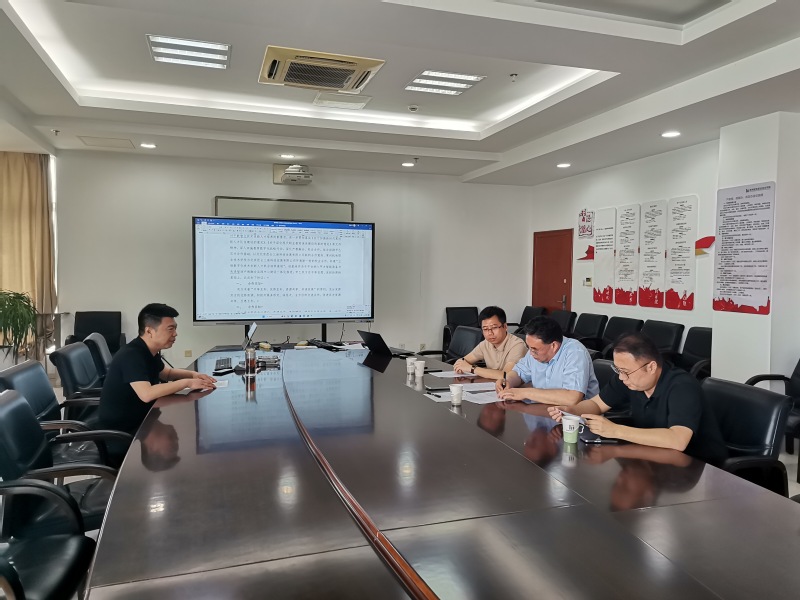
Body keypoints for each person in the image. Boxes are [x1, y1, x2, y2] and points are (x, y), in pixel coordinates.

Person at [547, 332, 727, 466]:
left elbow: (678, 440)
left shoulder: (682, 387)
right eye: (618, 370)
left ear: (651, 367)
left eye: (625, 372)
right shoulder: (629, 379)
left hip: (698, 467)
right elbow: (596, 404)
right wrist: (571, 411)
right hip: (653, 456)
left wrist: (615, 430)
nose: (621, 377)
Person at [99, 303, 215, 436]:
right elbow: (147, 394)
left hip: (142, 417)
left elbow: (167, 374)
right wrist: (187, 383)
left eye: (175, 328)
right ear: (149, 331)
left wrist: (194, 375)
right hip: (122, 431)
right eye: (170, 329)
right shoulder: (131, 355)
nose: (175, 334)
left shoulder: (148, 350)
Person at [495, 316, 599, 406]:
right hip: (543, 410)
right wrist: (507, 381)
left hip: (576, 417)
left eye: (534, 349)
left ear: (553, 346)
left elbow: (572, 398)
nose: (531, 353)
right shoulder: (534, 350)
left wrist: (525, 393)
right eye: (529, 347)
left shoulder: (575, 353)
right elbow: (519, 373)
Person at [453, 306, 527, 380]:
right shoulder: (485, 344)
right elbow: (463, 360)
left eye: (494, 328)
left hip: (514, 386)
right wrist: (460, 365)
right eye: (485, 329)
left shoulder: (517, 345)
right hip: (492, 384)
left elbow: (506, 375)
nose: (490, 333)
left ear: (505, 326)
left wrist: (472, 369)